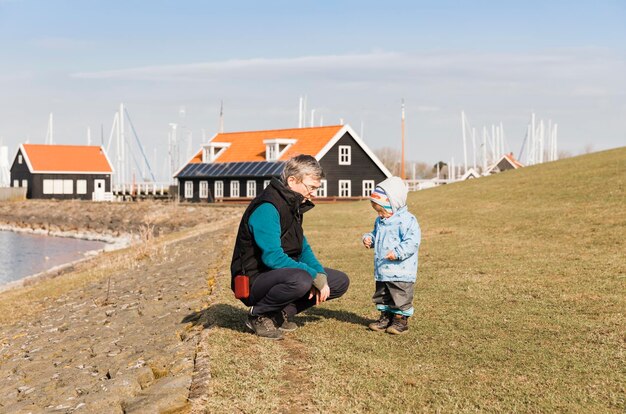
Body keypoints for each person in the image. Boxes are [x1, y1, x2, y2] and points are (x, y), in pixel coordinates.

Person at [231, 154, 350, 339]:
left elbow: (303, 248)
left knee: (338, 281)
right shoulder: (267, 207)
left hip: (281, 275)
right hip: (254, 279)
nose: (314, 193)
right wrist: (311, 276)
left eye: (316, 188)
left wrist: (320, 274)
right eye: (311, 187)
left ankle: (280, 313)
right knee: (302, 279)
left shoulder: (293, 206)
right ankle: (259, 315)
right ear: (292, 180)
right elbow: (272, 257)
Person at [362, 176, 421, 334]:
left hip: (401, 270)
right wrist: (370, 239)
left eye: (382, 210)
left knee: (400, 295)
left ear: (394, 204)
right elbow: (377, 235)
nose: (380, 214)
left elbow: (412, 242)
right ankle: (385, 318)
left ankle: (400, 321)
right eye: (378, 211)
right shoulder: (380, 221)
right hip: (383, 270)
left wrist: (397, 253)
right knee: (383, 295)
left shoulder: (407, 221)